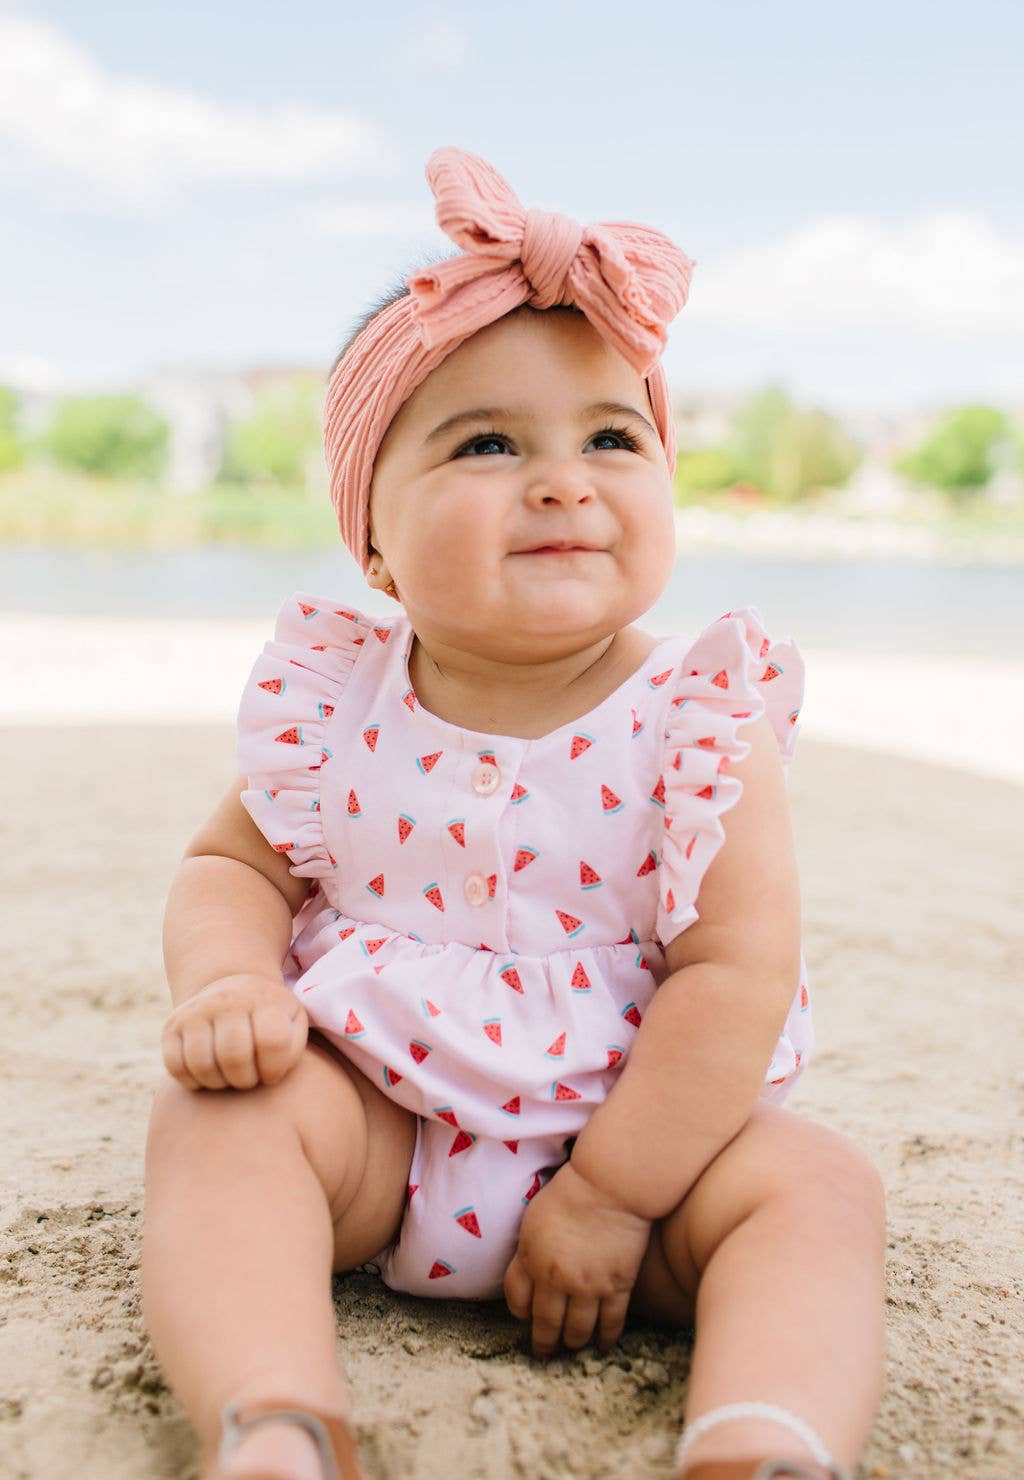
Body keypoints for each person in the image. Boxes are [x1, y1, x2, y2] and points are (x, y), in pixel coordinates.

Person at [143, 147, 886, 1480]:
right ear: (369, 534)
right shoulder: (337, 701)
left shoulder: (696, 719)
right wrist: (228, 983)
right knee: (218, 1123)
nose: (563, 479)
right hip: (378, 1122)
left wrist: (612, 1194)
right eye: (487, 443)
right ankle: (272, 1418)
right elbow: (229, 867)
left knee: (816, 1189)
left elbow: (736, 975)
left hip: (645, 1153)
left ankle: (763, 1437)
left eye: (613, 435)